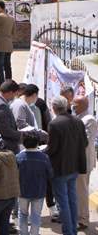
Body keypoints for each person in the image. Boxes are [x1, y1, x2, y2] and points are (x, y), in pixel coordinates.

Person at [46, 96, 87, 235]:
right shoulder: (78, 121)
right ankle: (72, 230)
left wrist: (42, 150)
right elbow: (85, 143)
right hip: (74, 166)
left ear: (54, 108)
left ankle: (69, 231)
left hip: (60, 168)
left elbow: (52, 148)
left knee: (63, 202)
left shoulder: (54, 124)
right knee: (72, 200)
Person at [16, 131, 53, 235]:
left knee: (22, 214)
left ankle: (23, 233)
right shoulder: (44, 158)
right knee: (36, 216)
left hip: (22, 191)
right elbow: (50, 174)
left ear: (23, 143)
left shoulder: (18, 157)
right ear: (37, 143)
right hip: (39, 191)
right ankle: (34, 233)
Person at [73, 95, 97, 230]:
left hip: (84, 162)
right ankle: (78, 217)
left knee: (81, 191)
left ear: (83, 105)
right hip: (76, 161)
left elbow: (85, 142)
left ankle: (83, 220)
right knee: (76, 191)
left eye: (75, 105)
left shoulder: (89, 120)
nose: (73, 107)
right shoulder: (77, 117)